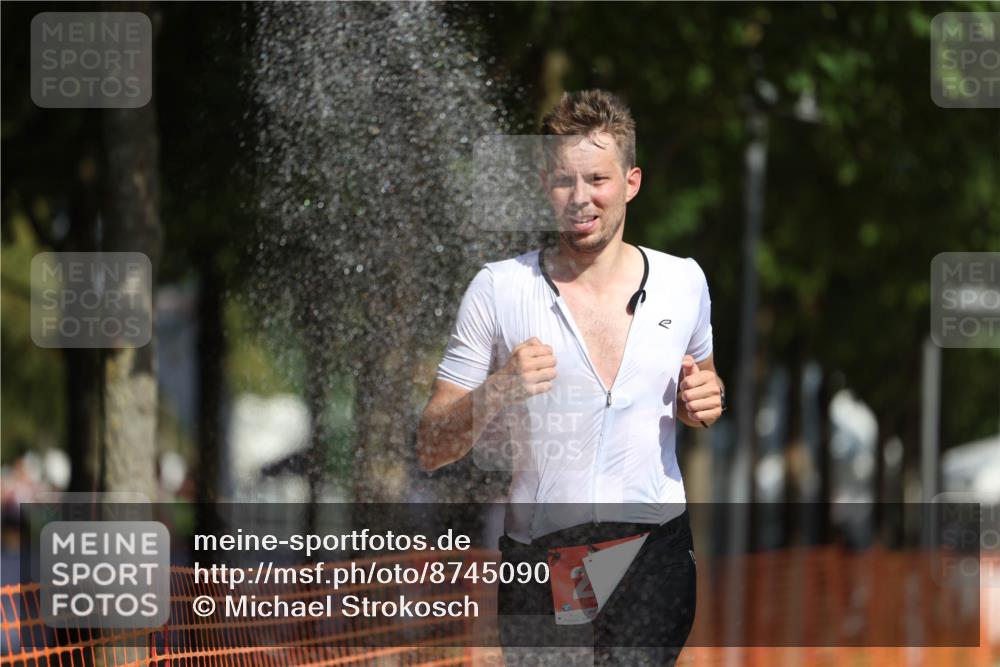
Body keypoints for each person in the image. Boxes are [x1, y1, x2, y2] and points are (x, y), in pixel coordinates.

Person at [417, 89, 724, 666]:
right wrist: (497, 390)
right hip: (542, 554)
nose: (580, 199)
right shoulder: (499, 289)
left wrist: (705, 399)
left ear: (631, 182)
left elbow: (703, 382)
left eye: (597, 180)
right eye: (563, 181)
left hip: (651, 546)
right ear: (543, 185)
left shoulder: (684, 282)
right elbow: (431, 445)